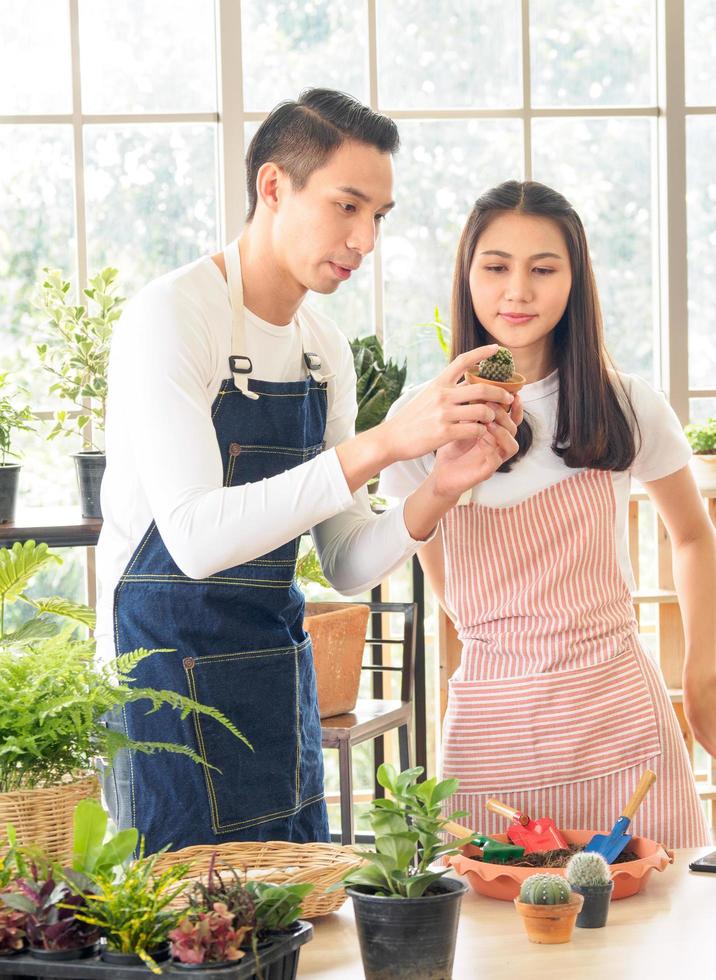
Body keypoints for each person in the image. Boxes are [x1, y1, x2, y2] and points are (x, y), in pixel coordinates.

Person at [95, 89, 521, 853]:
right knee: (181, 949)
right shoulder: (172, 317)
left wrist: (440, 488)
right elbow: (193, 538)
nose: (364, 239)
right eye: (346, 206)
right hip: (159, 691)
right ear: (272, 186)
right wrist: (384, 443)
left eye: (379, 216)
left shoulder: (322, 347)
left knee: (296, 933)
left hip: (271, 684)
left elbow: (347, 562)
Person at [380, 179, 716, 847]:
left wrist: (701, 672)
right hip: (493, 730)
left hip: (621, 717)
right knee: (497, 937)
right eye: (496, 267)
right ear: (467, 275)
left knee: (654, 929)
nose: (517, 292)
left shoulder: (626, 404)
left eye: (543, 269)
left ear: (575, 279)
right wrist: (508, 645)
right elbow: (443, 578)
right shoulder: (422, 422)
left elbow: (693, 538)